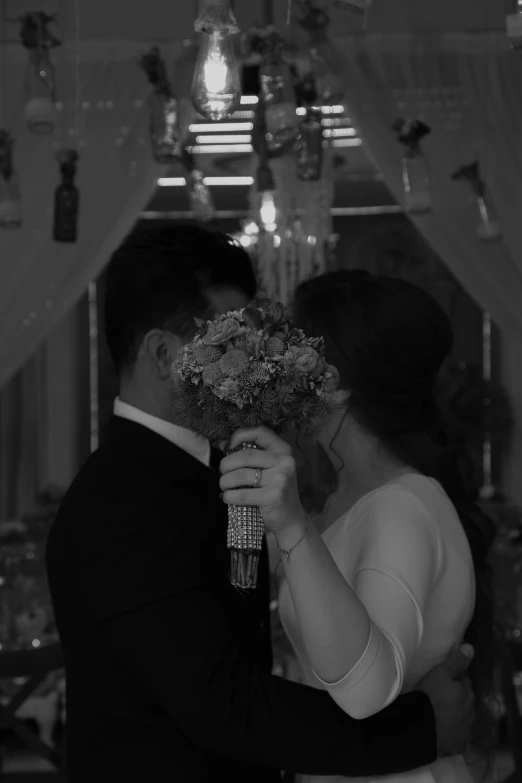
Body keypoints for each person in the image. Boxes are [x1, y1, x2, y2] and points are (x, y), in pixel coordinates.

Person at [46, 231, 475, 783]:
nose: (255, 364)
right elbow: (224, 706)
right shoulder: (122, 504)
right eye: (231, 344)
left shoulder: (213, 465)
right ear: (162, 354)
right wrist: (421, 729)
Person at [220, 269, 497, 783]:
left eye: (287, 350)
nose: (270, 366)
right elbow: (242, 580)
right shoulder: (342, 500)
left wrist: (294, 524)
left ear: (331, 383)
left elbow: (365, 693)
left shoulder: (401, 507)